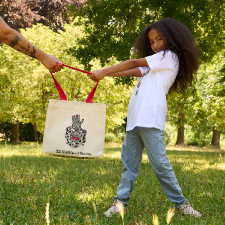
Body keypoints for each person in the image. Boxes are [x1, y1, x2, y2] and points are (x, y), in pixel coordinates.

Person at [89, 18, 202, 218]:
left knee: (159, 164)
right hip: (135, 120)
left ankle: (182, 204)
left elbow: (133, 62)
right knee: (129, 165)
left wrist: (104, 70)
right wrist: (104, 75)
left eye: (159, 39)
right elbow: (133, 70)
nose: (155, 45)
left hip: (150, 119)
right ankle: (120, 203)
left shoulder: (169, 57)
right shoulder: (154, 63)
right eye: (151, 42)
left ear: (171, 38)